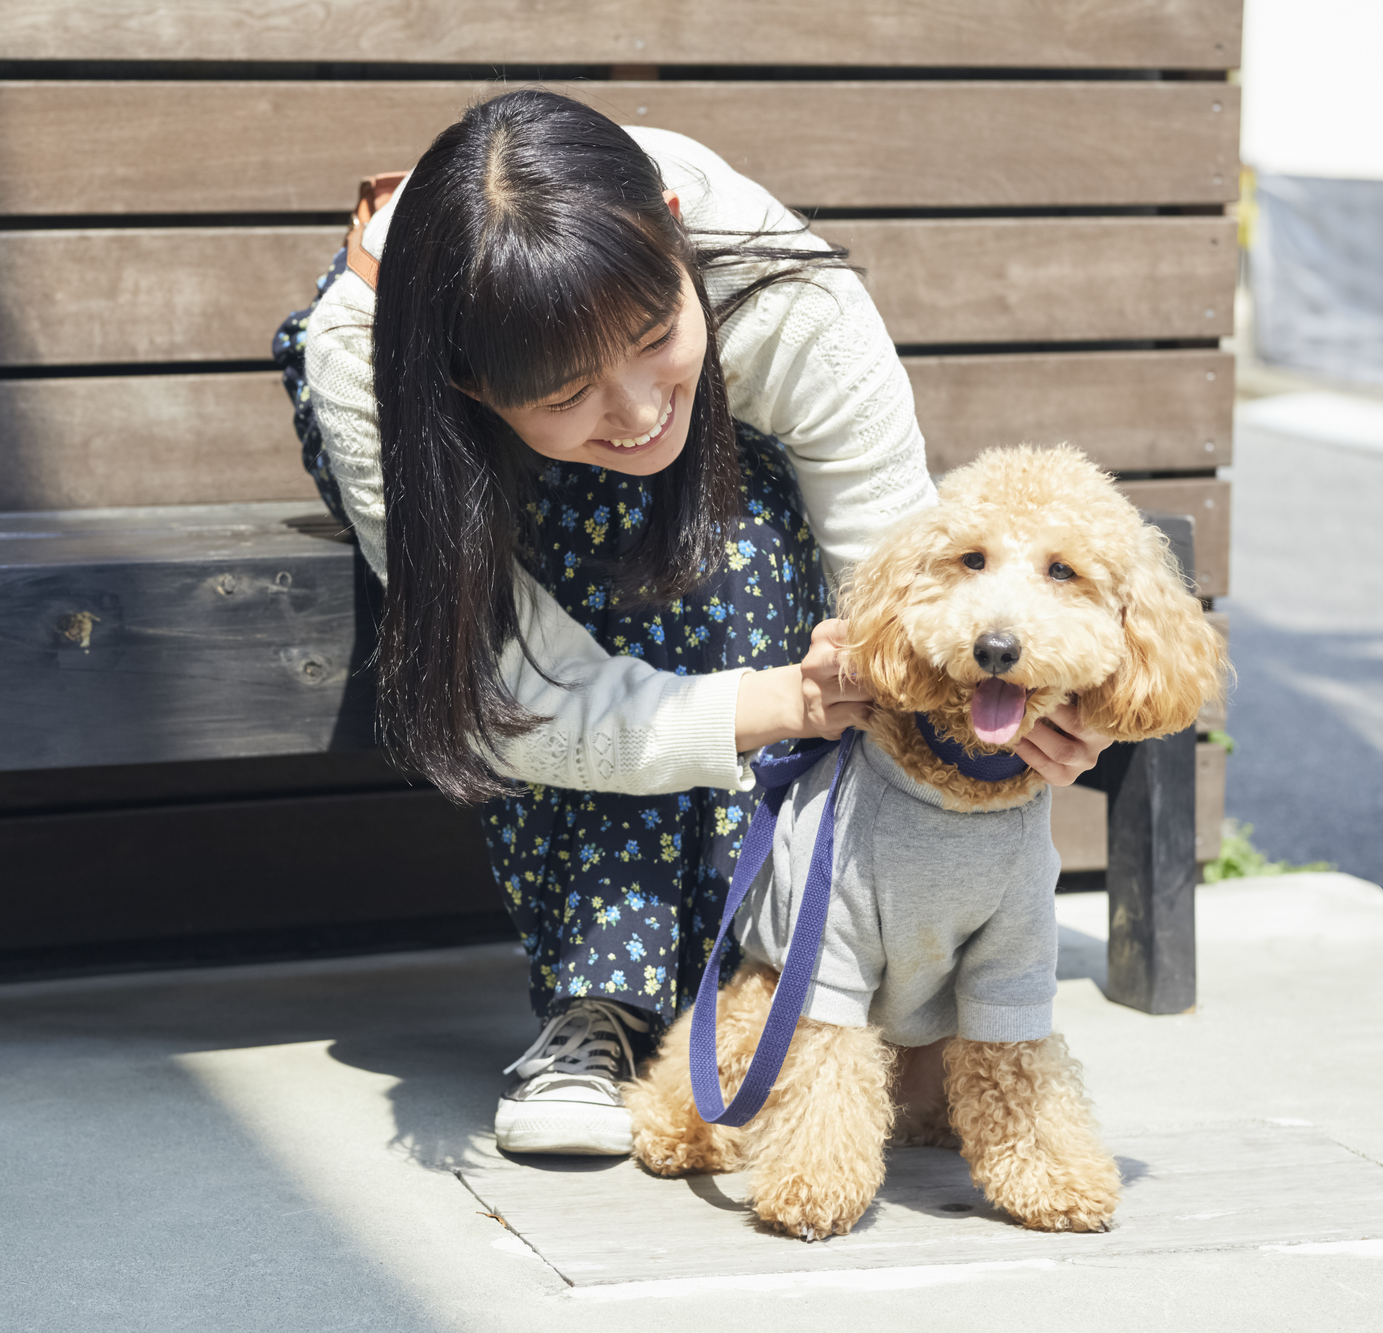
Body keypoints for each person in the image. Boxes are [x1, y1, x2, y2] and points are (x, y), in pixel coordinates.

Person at [272, 89, 1107, 1156]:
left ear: (672, 230)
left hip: (713, 473)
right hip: (458, 456)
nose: (631, 407)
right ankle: (605, 1003)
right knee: (613, 522)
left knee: (729, 525)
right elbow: (508, 689)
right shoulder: (374, 371)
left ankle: (744, 975)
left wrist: (1000, 716)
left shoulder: (784, 294)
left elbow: (893, 581)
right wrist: (776, 701)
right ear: (469, 382)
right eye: (570, 391)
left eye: (657, 335)